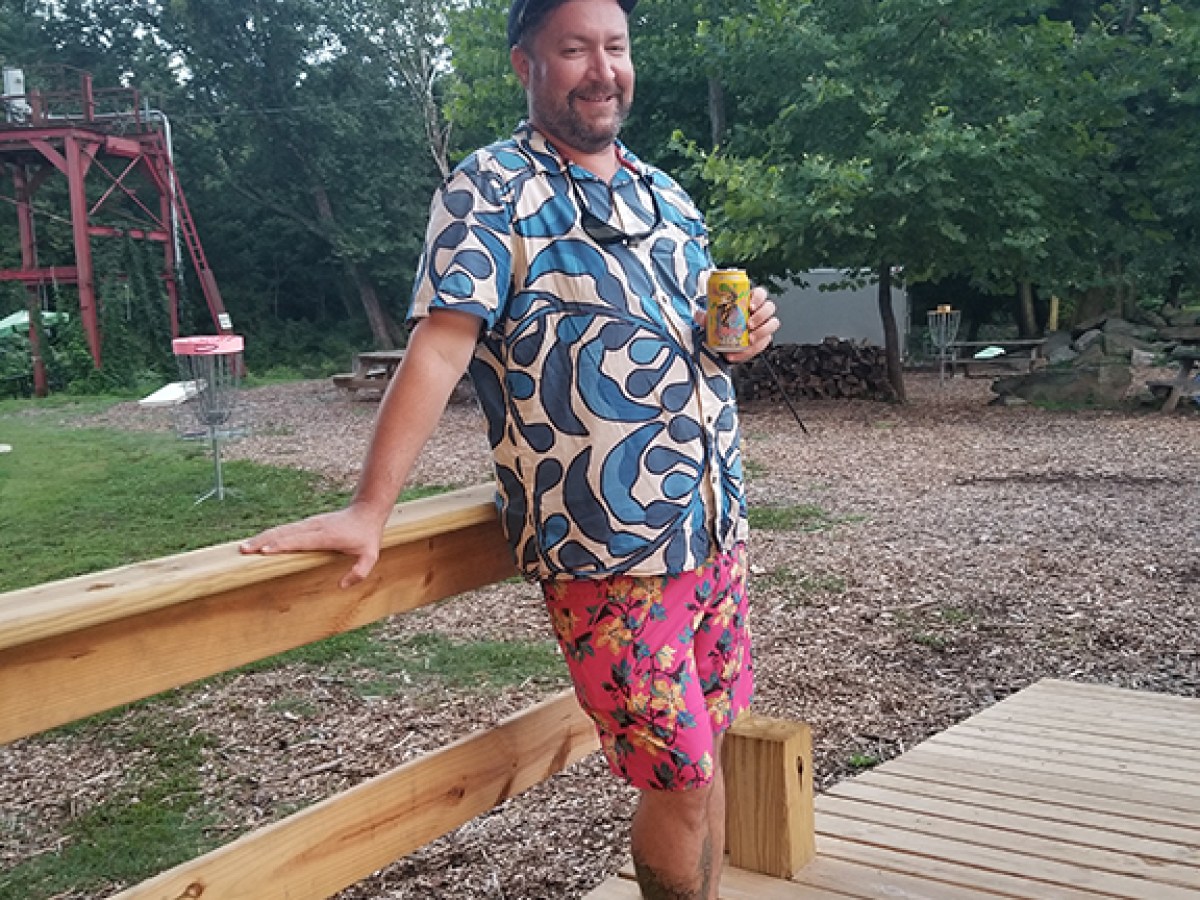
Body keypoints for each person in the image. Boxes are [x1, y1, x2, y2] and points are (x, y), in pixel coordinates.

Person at [240, 0, 780, 896]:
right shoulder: (491, 188)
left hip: (716, 530)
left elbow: (690, 341)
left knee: (709, 748)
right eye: (575, 49)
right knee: (677, 774)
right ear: (526, 63)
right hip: (606, 552)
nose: (602, 68)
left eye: (616, 46)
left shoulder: (665, 194)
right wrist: (369, 508)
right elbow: (442, 346)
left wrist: (738, 338)